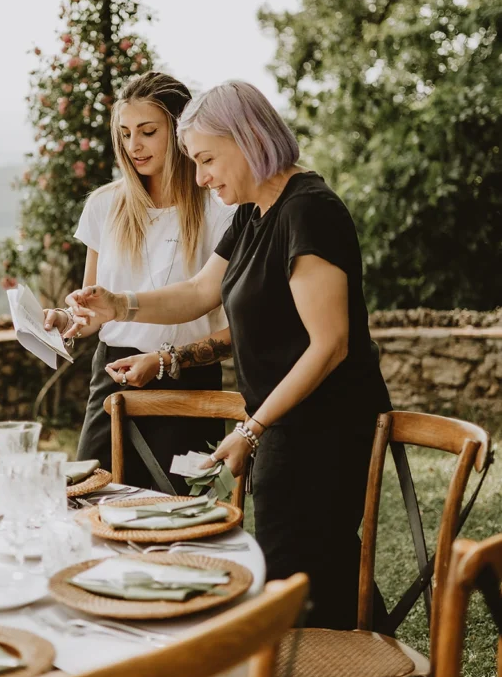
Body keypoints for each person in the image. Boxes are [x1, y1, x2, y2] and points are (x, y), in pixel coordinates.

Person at [61, 80, 392, 631]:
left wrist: (253, 428)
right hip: (285, 421)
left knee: (294, 572)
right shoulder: (254, 214)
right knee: (315, 563)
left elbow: (330, 345)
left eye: (208, 159)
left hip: (324, 425)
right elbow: (197, 292)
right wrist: (117, 303)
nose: (201, 177)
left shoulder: (308, 211)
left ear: (249, 139)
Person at [44, 71, 235, 493]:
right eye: (126, 133)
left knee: (188, 515)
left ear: (181, 131)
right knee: (92, 502)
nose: (134, 146)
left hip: (190, 381)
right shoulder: (104, 206)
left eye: (148, 132)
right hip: (114, 377)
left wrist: (171, 361)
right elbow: (93, 309)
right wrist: (66, 318)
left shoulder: (220, 210)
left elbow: (224, 312)